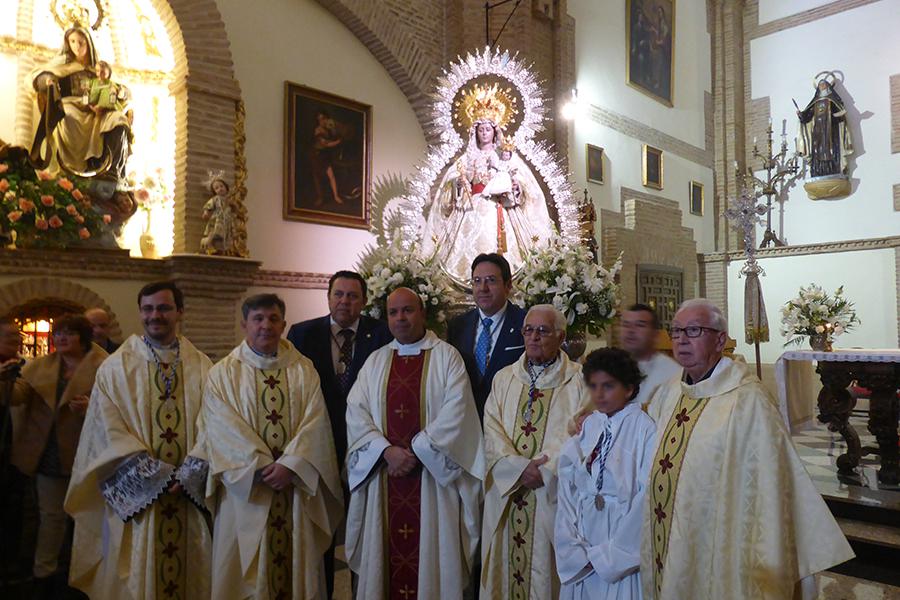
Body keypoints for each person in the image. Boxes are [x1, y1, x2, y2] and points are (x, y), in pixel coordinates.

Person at [642, 298, 854, 600]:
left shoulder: (748, 401)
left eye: (693, 330)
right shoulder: (669, 392)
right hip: (670, 535)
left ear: (719, 340)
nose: (681, 340)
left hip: (720, 543)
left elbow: (768, 489)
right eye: (676, 331)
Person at [66, 281, 213, 599]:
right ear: (140, 313)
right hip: (143, 503)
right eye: (147, 309)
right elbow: (107, 429)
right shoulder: (115, 367)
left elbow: (215, 425)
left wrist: (189, 472)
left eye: (163, 308)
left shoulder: (203, 367)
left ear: (180, 312)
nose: (154, 315)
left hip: (186, 497)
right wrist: (153, 476)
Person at [345, 287, 484, 600]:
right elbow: (357, 413)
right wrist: (385, 451)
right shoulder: (376, 361)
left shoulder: (447, 358)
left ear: (423, 313)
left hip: (433, 484)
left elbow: (457, 413)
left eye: (408, 310)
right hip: (384, 475)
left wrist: (419, 451)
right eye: (393, 312)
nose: (400, 318)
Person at [204, 293, 343, 600]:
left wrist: (291, 466)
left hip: (293, 491)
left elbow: (315, 423)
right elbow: (223, 428)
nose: (266, 326)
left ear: (283, 324)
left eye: (273, 319)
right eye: (258, 319)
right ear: (244, 324)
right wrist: (264, 467)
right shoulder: (223, 374)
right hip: (247, 492)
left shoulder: (302, 369)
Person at [286, 270, 392, 598]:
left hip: (368, 447)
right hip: (318, 445)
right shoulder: (302, 335)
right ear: (328, 297)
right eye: (339, 294)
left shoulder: (383, 334)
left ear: (363, 301)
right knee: (321, 532)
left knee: (367, 530)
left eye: (352, 296)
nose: (344, 301)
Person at [480, 304, 589, 600]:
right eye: (529, 330)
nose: (534, 337)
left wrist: (545, 468)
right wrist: (517, 468)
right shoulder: (504, 379)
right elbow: (491, 430)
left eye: (543, 331)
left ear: (561, 336)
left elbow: (582, 434)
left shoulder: (580, 381)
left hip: (550, 496)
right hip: (508, 493)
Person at [4, 315, 105, 598]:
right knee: (51, 516)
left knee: (87, 516)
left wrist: (92, 406)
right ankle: (44, 574)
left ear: (83, 338)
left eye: (69, 333)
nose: (60, 338)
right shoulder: (42, 366)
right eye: (58, 333)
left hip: (88, 453)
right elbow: (20, 393)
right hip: (50, 454)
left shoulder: (104, 366)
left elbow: (118, 404)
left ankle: (86, 573)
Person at [555, 348, 655, 600]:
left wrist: (610, 557)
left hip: (618, 542)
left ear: (629, 388)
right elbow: (568, 484)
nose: (599, 394)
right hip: (583, 537)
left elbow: (646, 497)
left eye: (608, 386)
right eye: (594, 386)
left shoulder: (644, 429)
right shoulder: (591, 424)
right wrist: (573, 548)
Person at [421, 95, 553, 283]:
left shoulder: (506, 156)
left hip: (497, 206)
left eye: (487, 129)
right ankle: (468, 280)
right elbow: (452, 181)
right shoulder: (467, 158)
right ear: (474, 132)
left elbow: (523, 181)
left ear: (495, 131)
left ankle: (502, 280)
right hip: (471, 208)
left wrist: (516, 187)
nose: (484, 133)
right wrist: (458, 184)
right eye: (481, 129)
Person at [28, 26, 132, 180]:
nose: (76, 46)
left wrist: (120, 92)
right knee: (70, 118)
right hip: (70, 104)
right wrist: (48, 80)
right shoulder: (62, 65)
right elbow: (36, 78)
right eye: (72, 41)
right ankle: (73, 171)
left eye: (81, 42)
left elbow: (117, 89)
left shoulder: (98, 69)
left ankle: (110, 172)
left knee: (118, 119)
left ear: (88, 44)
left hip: (96, 110)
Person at [448, 253, 526, 418]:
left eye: (491, 280)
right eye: (477, 281)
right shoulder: (458, 325)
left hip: (510, 418)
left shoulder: (524, 323)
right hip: (467, 421)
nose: (483, 288)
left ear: (508, 285)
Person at [618, 303, 680, 410]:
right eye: (626, 325)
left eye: (640, 325)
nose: (631, 331)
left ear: (655, 334)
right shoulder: (610, 367)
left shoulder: (673, 374)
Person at [797, 77, 853, 178]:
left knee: (832, 149)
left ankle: (833, 170)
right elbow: (808, 117)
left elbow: (840, 114)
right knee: (817, 150)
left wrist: (837, 115)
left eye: (824, 85)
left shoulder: (832, 101)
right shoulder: (815, 102)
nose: (822, 87)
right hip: (817, 132)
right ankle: (818, 171)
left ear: (828, 87)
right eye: (820, 85)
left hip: (831, 131)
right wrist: (801, 115)